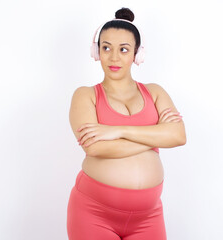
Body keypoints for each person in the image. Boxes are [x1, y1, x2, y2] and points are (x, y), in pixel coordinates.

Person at [66, 7, 186, 240]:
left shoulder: (155, 92)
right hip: (93, 213)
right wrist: (157, 135)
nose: (113, 57)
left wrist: (117, 130)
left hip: (149, 217)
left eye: (123, 50)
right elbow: (95, 148)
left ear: (136, 54)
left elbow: (179, 136)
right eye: (106, 48)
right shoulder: (85, 95)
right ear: (96, 51)